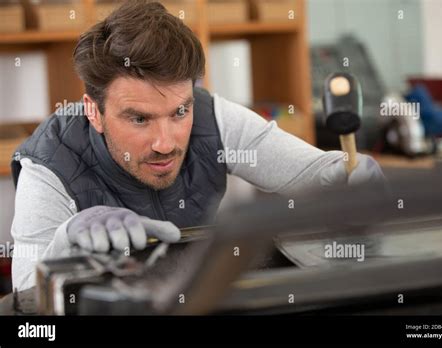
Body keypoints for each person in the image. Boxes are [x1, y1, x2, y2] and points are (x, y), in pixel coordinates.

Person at [10, 1, 385, 291]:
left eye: (179, 112)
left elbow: (314, 174)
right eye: (139, 118)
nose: (165, 143)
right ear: (93, 111)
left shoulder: (213, 117)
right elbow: (25, 301)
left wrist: (347, 177)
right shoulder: (49, 166)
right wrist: (64, 246)